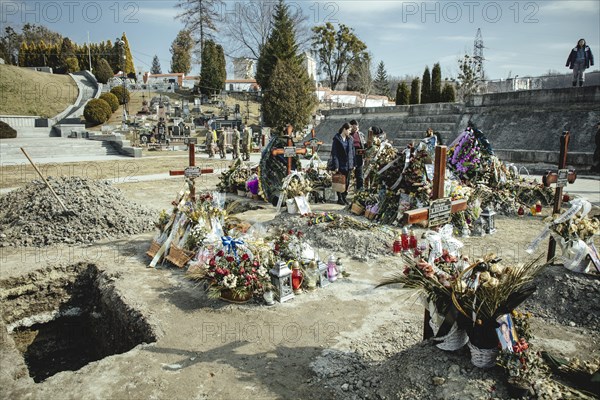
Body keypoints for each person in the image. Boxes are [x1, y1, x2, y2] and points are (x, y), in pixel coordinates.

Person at [329, 122, 355, 205]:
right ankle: (340, 198)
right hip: (340, 163)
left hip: (348, 164)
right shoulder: (337, 139)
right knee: (340, 181)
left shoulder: (350, 139)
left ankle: (344, 197)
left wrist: (353, 163)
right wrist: (336, 165)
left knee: (347, 182)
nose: (350, 132)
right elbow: (334, 153)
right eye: (349, 130)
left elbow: (352, 151)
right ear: (344, 129)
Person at [349, 119, 366, 191]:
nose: (355, 129)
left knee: (359, 174)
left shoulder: (361, 134)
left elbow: (364, 144)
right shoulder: (348, 135)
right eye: (354, 128)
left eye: (357, 128)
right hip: (350, 156)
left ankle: (360, 190)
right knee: (349, 174)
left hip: (359, 156)